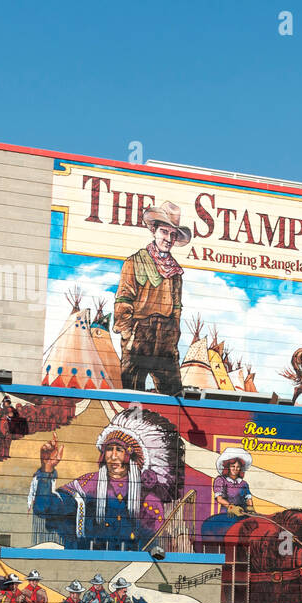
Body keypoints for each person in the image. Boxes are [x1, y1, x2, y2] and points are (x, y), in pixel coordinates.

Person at [28, 406, 182, 551]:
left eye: (119, 450)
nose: (113, 456)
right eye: (109, 449)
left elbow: (149, 540)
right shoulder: (87, 485)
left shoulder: (146, 496)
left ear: (130, 456)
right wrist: (47, 469)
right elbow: (45, 509)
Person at [112, 202, 191, 394]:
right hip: (140, 334)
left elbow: (177, 307)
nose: (169, 239)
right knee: (132, 395)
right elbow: (123, 299)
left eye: (173, 235)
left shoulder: (175, 271)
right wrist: (128, 333)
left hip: (165, 339)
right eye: (165, 232)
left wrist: (173, 336)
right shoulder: (135, 262)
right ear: (154, 231)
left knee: (173, 395)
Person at [199, 447, 256, 545]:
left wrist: (250, 509)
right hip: (226, 515)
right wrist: (231, 507)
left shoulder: (244, 484)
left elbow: (248, 498)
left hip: (242, 514)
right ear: (228, 467)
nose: (235, 469)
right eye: (233, 466)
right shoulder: (221, 480)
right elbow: (219, 498)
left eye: (238, 467)